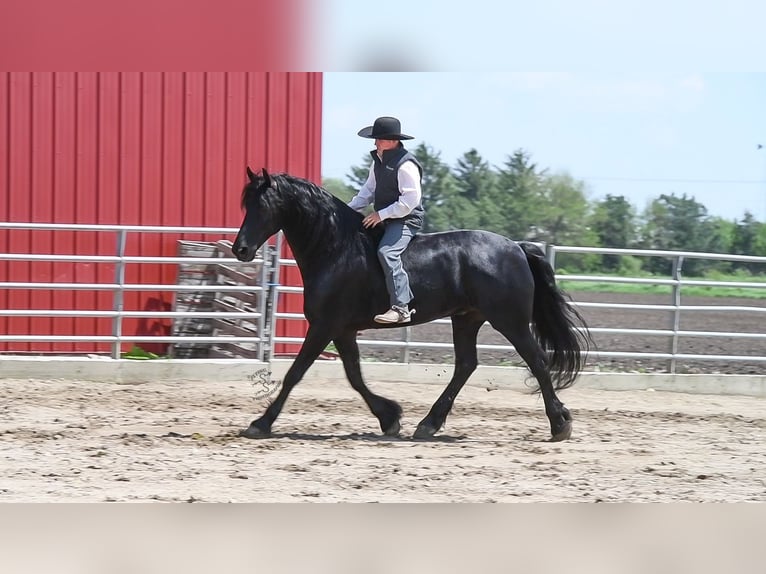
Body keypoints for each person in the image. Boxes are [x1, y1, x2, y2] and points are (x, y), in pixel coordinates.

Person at [347, 116, 424, 324]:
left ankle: (401, 308)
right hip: (387, 219)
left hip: (406, 220)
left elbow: (410, 201)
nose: (375, 143)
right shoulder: (379, 163)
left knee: (387, 252)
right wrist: (345, 211)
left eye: (379, 139)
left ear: (392, 141)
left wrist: (380, 215)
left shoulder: (406, 165)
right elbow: (367, 192)